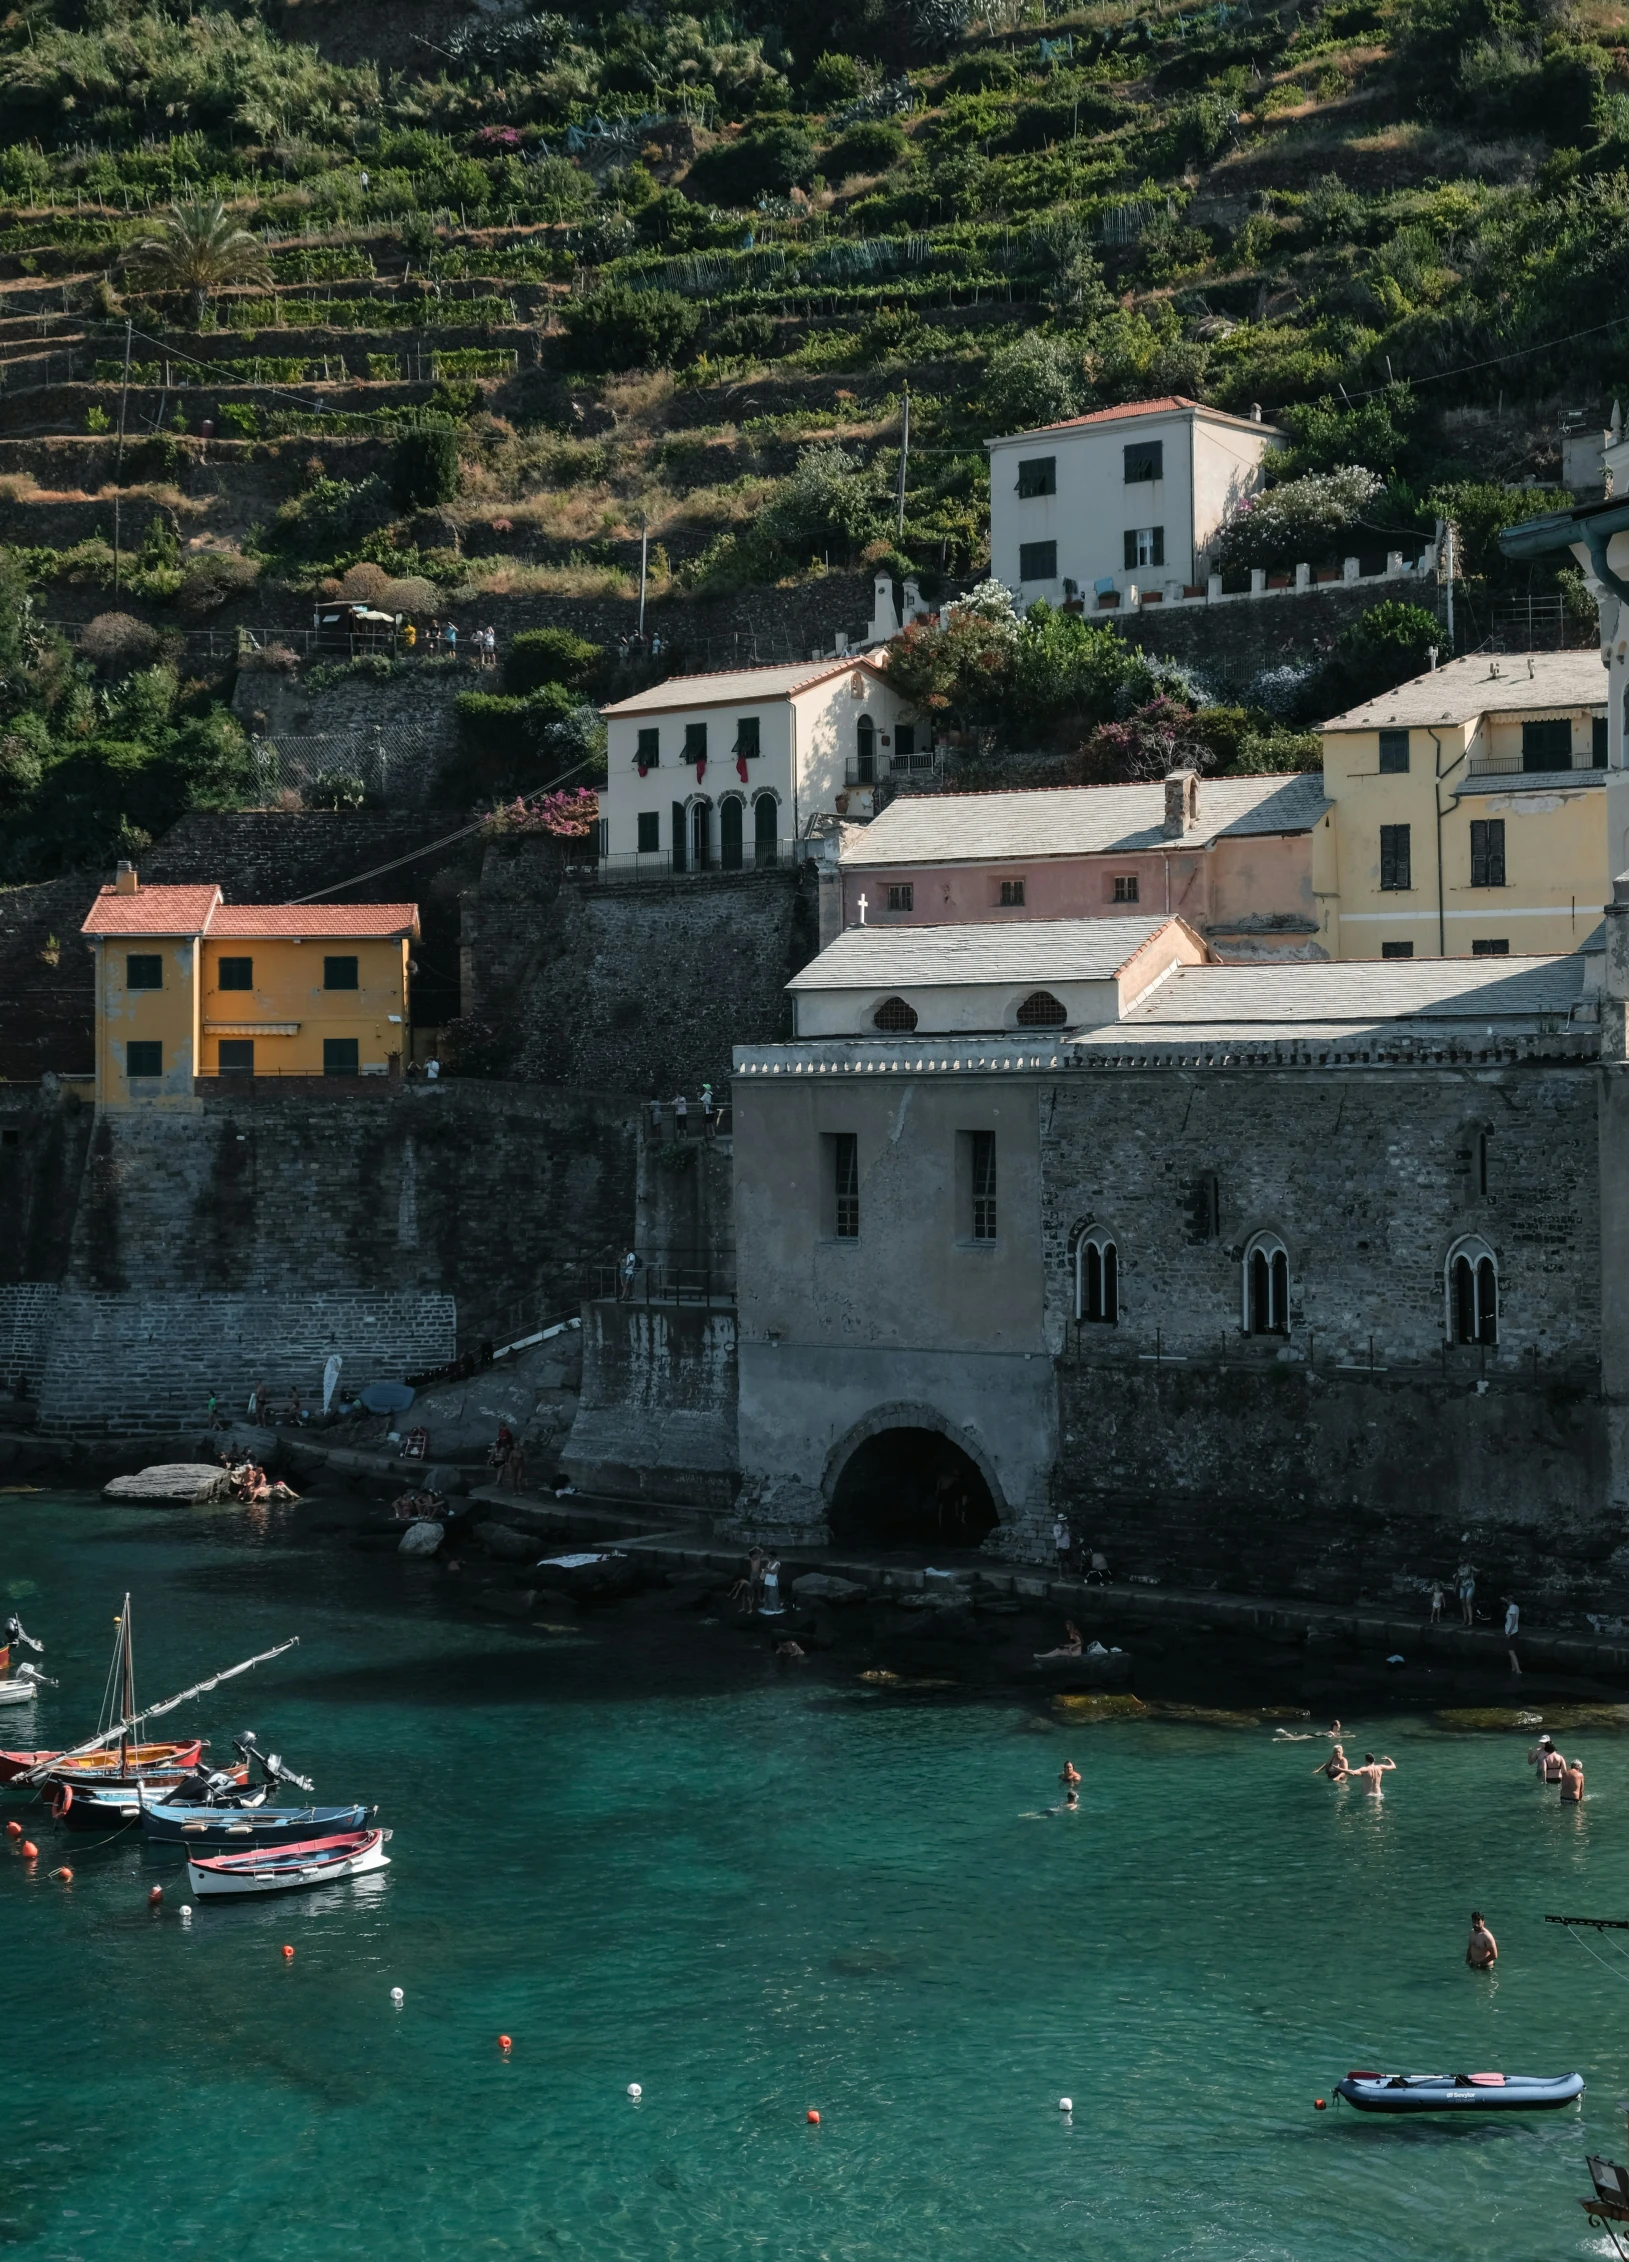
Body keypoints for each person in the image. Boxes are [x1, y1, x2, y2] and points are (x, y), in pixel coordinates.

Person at [1457, 1559, 1478, 1627]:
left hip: (1470, 1586)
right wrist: (1455, 1586)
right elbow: (1458, 1577)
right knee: (1463, 1604)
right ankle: (1465, 1619)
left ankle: (1470, 1620)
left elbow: (1477, 1570)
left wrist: (1477, 1571)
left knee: (1468, 1603)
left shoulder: (1470, 1567)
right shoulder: (1459, 1568)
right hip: (1462, 1586)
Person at [1504, 1595, 1521, 1676]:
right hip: (1514, 1632)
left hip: (1512, 1632)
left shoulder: (1512, 1608)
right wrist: (1504, 1599)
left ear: (1509, 1601)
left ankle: (1518, 1669)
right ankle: (1513, 1668)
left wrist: (1509, 1632)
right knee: (1511, 1650)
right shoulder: (1516, 1607)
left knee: (1511, 1651)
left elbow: (1513, 1620)